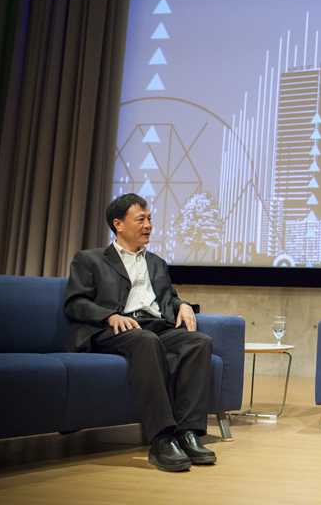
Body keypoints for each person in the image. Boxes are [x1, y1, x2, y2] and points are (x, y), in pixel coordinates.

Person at [64, 193, 216, 472]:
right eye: (141, 219)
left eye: (149, 219)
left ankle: (188, 432)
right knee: (145, 340)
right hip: (111, 328)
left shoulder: (157, 263)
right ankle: (160, 439)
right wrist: (109, 316)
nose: (148, 225)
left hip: (154, 326)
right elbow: (75, 302)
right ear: (118, 224)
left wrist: (182, 305)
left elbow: (169, 296)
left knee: (199, 341)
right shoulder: (90, 259)